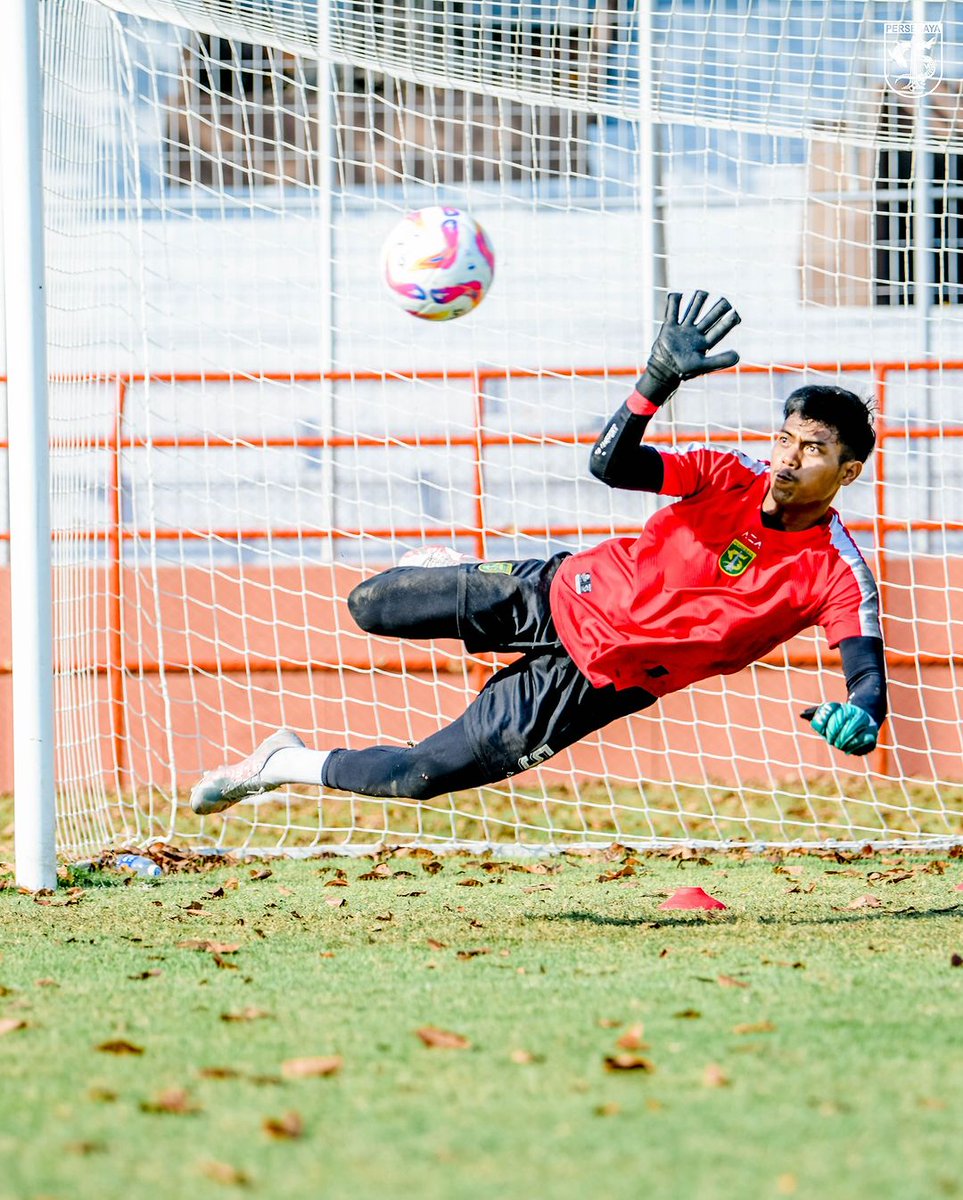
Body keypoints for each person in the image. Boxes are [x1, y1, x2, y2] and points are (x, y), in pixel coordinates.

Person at [191, 289, 887, 816]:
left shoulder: (836, 571)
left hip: (596, 684)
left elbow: (866, 676)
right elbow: (611, 466)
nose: (788, 458)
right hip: (560, 592)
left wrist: (859, 715)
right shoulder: (726, 472)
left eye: (812, 450)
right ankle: (445, 572)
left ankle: (281, 764)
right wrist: (653, 383)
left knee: (417, 778)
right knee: (368, 606)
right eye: (785, 439)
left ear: (847, 472)